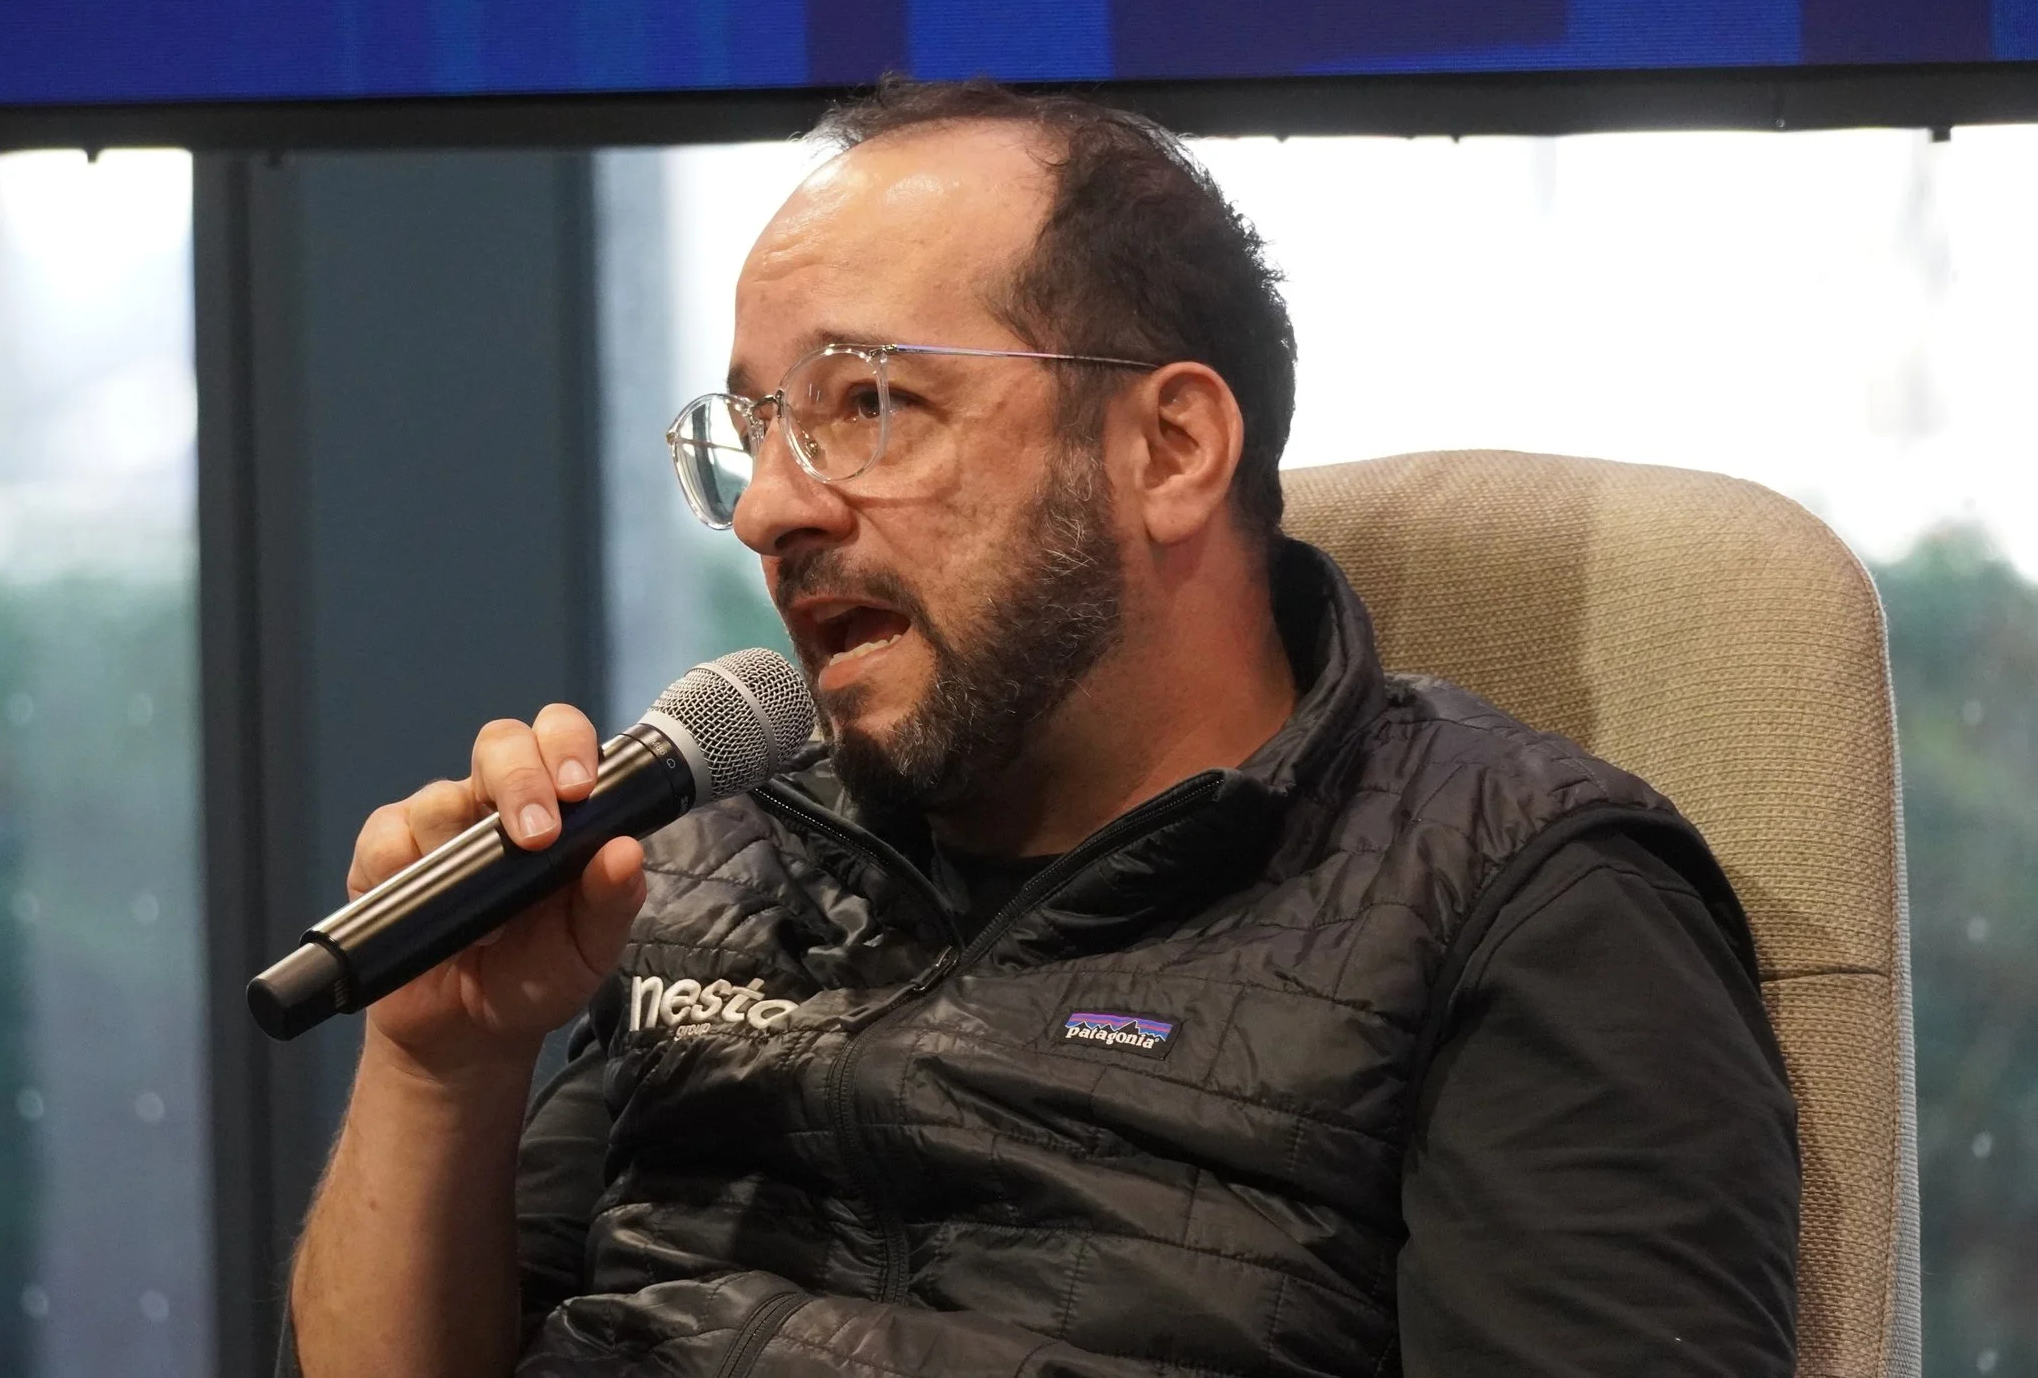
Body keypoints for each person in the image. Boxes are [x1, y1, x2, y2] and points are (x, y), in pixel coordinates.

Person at [282, 79, 1800, 1377]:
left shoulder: (1520, 899)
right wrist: (441, 1067)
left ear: (1173, 447)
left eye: (866, 403)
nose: (768, 509)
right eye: (752, 430)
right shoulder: (698, 865)